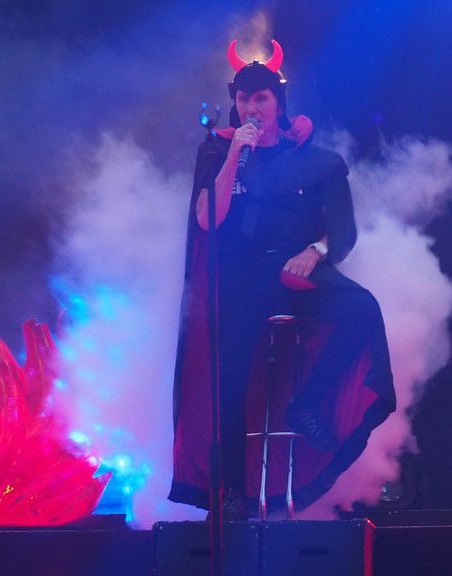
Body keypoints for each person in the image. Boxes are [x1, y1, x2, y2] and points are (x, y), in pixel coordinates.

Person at [169, 39, 395, 520]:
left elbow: (344, 232)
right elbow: (208, 221)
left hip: (297, 270)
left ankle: (306, 404)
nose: (252, 107)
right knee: (228, 376)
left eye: (262, 98)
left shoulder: (318, 161)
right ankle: (232, 492)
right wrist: (234, 155)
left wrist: (315, 252)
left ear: (279, 103)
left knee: (362, 309)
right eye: (244, 98)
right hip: (241, 275)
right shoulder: (217, 151)